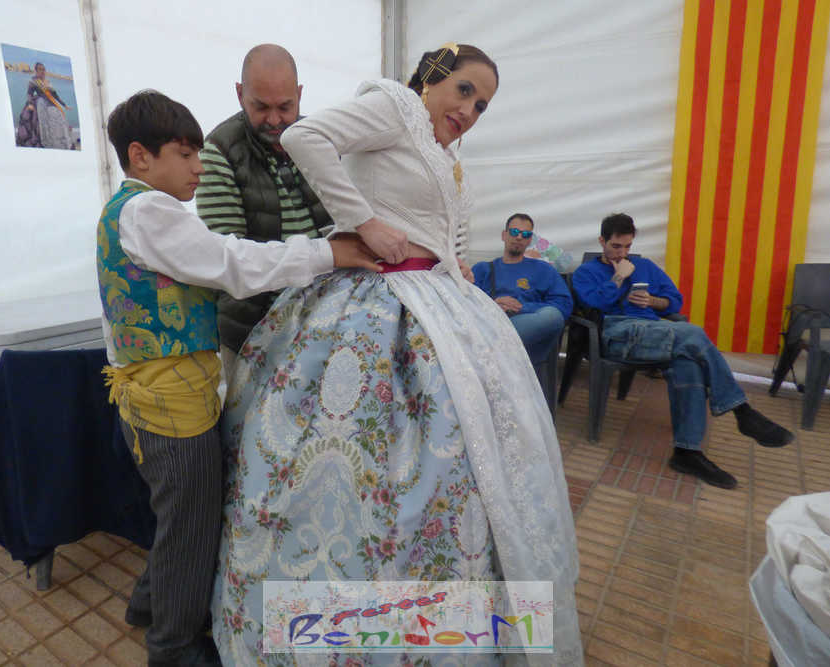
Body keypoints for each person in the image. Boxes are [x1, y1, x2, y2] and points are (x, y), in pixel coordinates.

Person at [211, 44, 583, 665]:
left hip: (437, 301)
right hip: (369, 302)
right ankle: (329, 632)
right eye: (464, 91)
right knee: (346, 470)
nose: (469, 110)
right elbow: (306, 138)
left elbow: (442, 224)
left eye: (482, 105)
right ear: (431, 78)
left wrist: (453, 256)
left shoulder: (444, 152)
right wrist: (362, 221)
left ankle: (441, 629)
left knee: (461, 471)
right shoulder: (393, 106)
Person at [96, 90, 380, 667]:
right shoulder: (149, 212)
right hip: (171, 403)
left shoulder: (127, 211)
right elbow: (233, 263)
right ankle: (174, 646)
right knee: (192, 524)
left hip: (156, 392)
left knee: (175, 513)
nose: (199, 168)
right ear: (140, 156)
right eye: (185, 155)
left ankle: (149, 604)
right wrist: (327, 254)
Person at [572, 213, 795, 490]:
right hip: (618, 333)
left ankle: (687, 452)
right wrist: (618, 277)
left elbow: (675, 301)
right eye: (616, 246)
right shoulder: (586, 272)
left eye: (627, 246)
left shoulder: (645, 266)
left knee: (688, 363)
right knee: (693, 333)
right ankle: (742, 410)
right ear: (602, 241)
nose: (622, 253)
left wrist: (652, 301)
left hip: (654, 331)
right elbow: (595, 305)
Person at [195, 44, 333, 381]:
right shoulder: (219, 152)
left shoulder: (320, 139)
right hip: (251, 330)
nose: (274, 120)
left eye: (285, 107)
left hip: (325, 320)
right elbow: (234, 260)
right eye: (260, 107)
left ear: (300, 95)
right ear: (240, 94)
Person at [472, 213, 571, 367]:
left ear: (530, 240)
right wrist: (493, 305)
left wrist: (522, 308)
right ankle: (497, 353)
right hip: (490, 324)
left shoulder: (544, 270)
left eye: (525, 234)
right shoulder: (482, 269)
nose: (519, 237)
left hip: (526, 334)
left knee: (553, 316)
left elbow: (564, 305)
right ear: (504, 235)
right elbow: (465, 304)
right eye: (514, 232)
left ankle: (494, 352)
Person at [16, 62, 73, 149]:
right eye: (40, 69)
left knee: (58, 116)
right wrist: (30, 104)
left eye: (43, 69)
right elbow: (29, 94)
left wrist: (65, 105)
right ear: (36, 70)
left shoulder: (47, 82)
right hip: (39, 103)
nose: (42, 71)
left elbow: (55, 96)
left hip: (50, 103)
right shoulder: (33, 81)